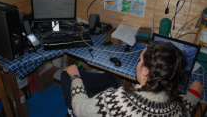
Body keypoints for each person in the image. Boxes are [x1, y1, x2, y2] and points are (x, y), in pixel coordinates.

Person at [61, 41, 204, 117]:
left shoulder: (118, 102)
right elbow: (186, 108)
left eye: (140, 60)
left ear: (146, 72)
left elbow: (80, 108)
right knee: (111, 77)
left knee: (66, 77)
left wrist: (76, 76)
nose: (138, 63)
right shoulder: (176, 107)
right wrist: (194, 94)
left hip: (87, 109)